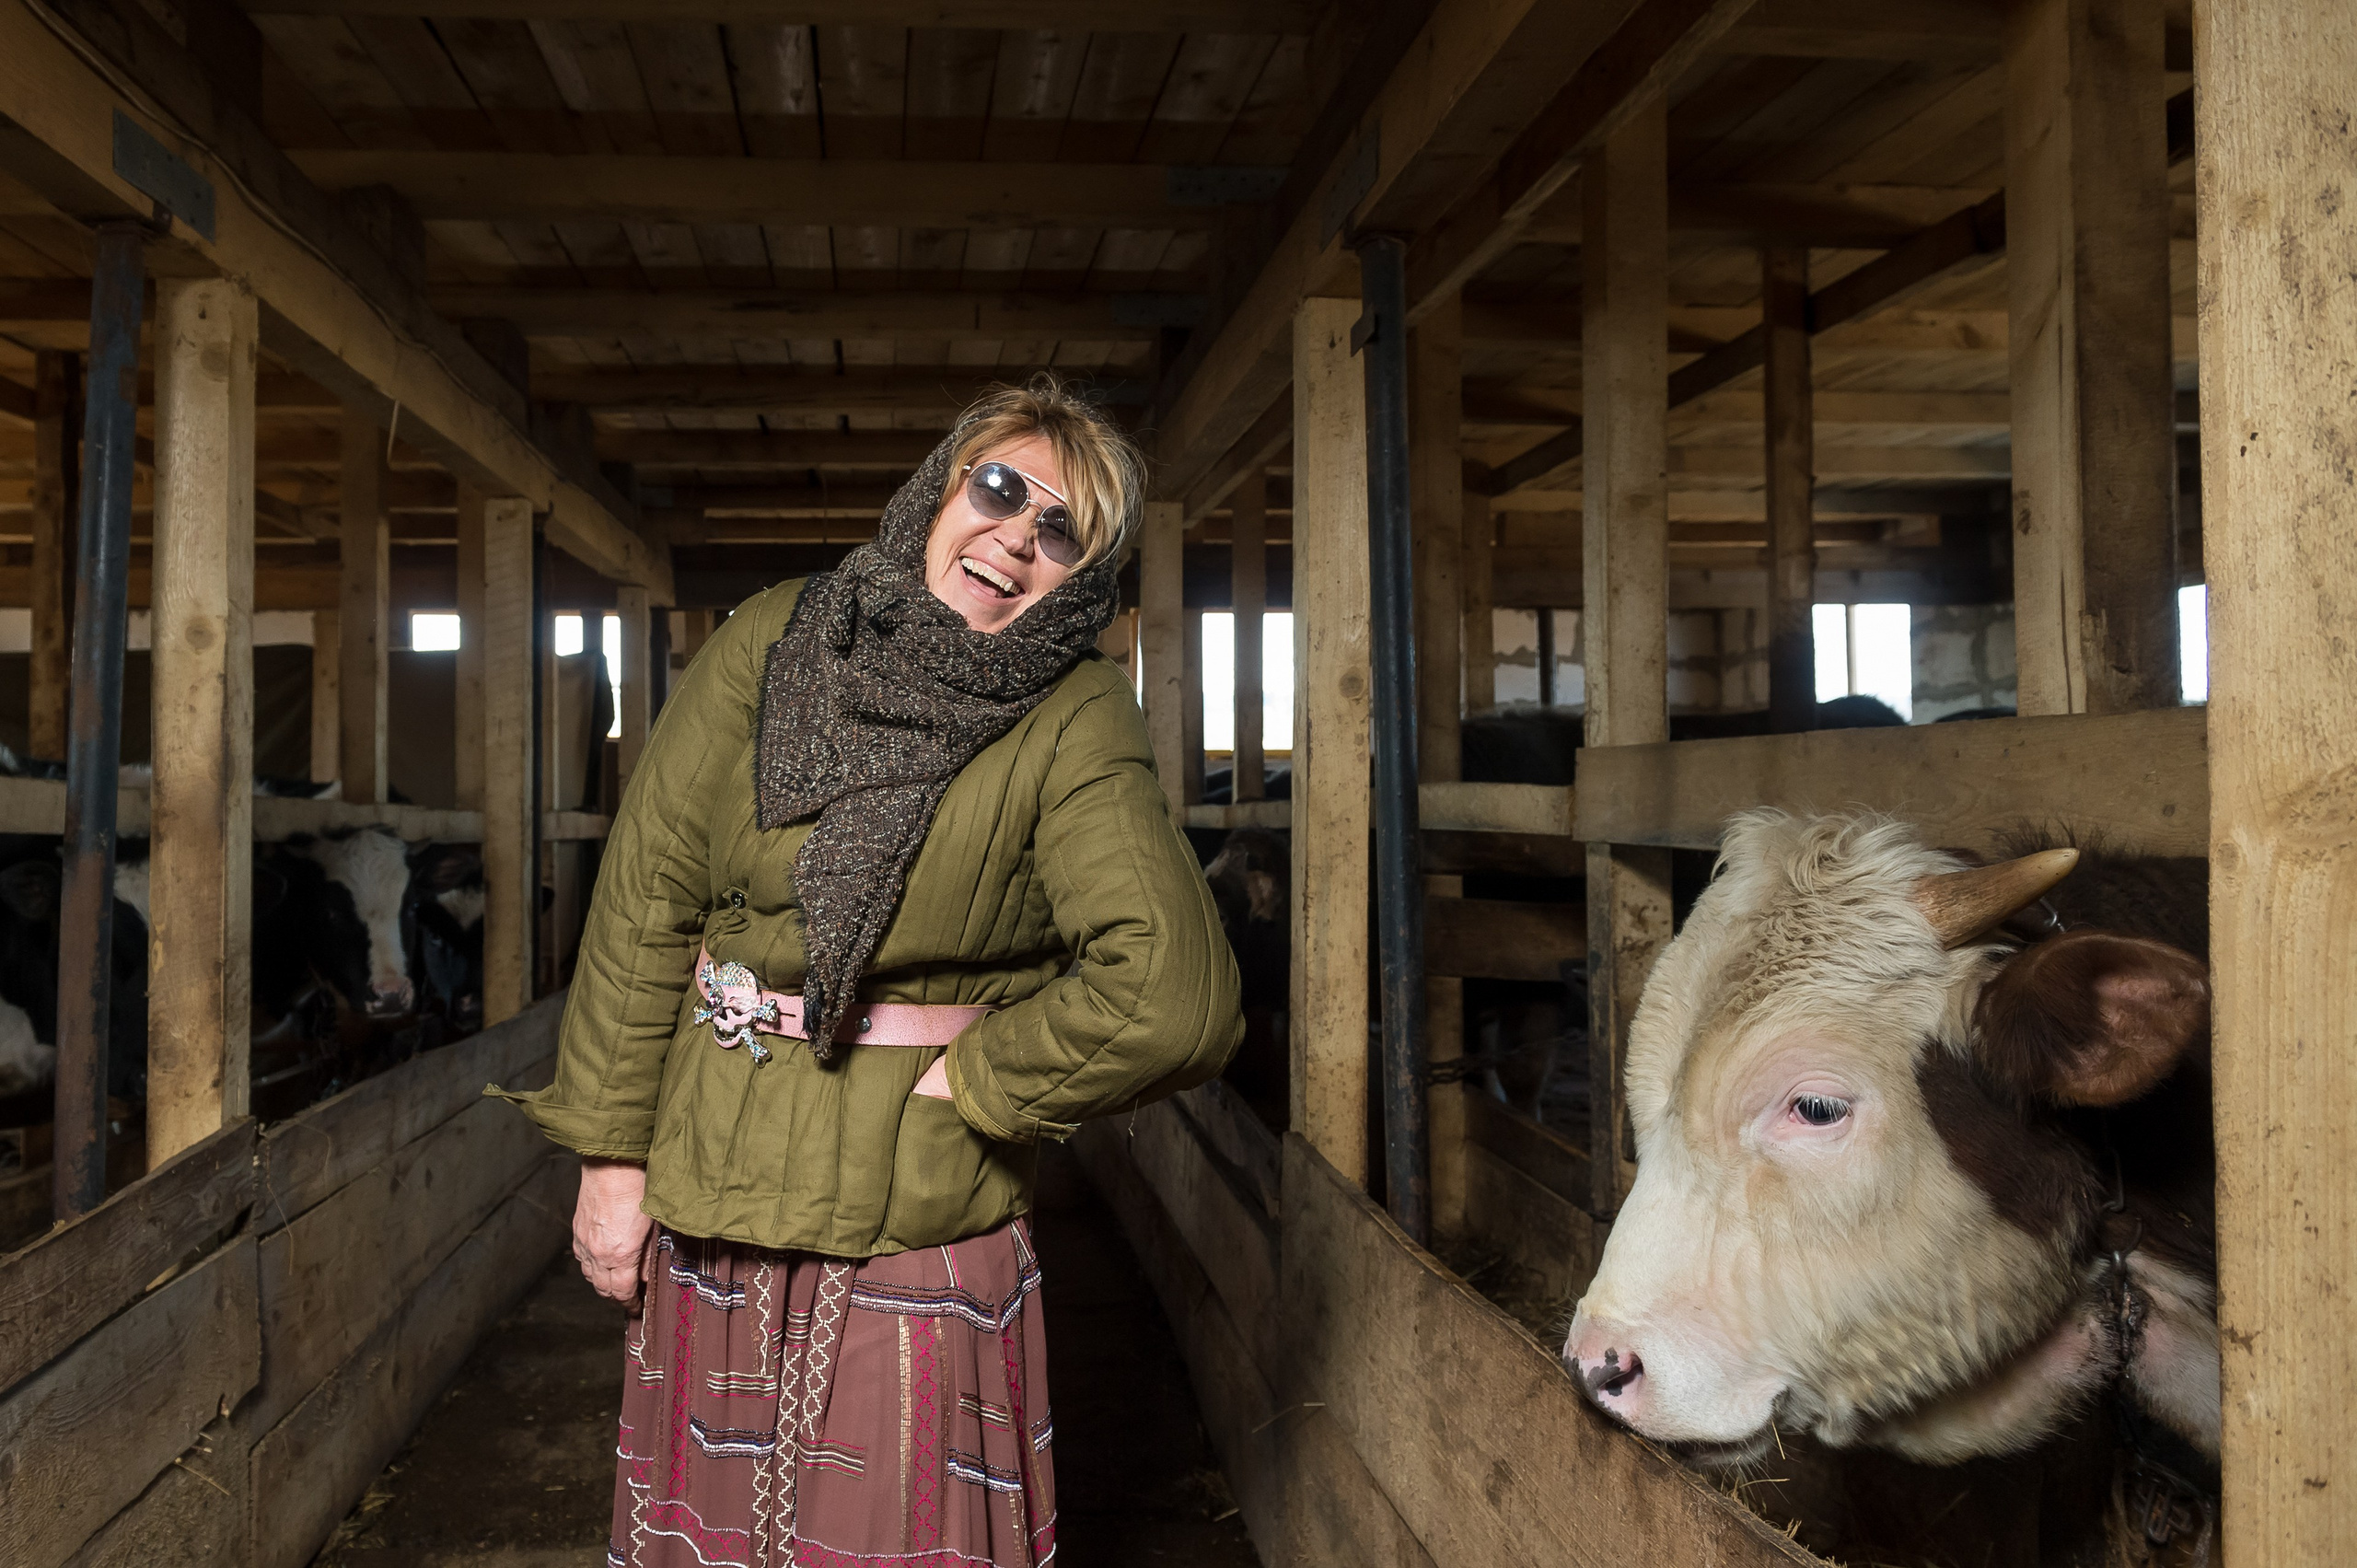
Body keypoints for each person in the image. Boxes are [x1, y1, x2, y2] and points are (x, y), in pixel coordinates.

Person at [493, 377, 1243, 1568]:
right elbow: (647, 900)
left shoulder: (1077, 712)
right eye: (998, 488)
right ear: (940, 491)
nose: (1016, 535)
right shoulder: (776, 636)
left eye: (1062, 532)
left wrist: (982, 1081)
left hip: (913, 1220)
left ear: (1081, 579)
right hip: (711, 1181)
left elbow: (1174, 994)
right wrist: (612, 1159)